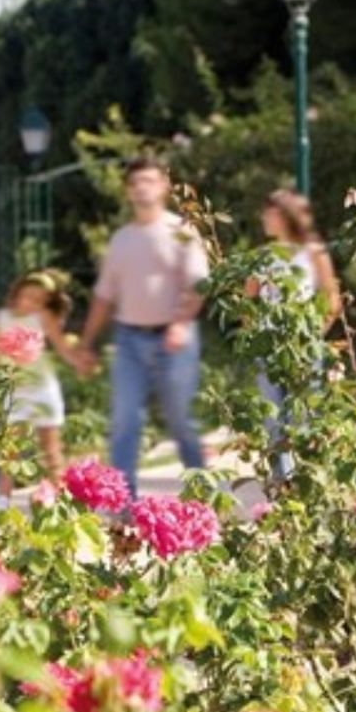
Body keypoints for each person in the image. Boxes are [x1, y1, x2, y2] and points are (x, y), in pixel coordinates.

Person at [77, 157, 209, 498]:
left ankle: (202, 497)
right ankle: (123, 503)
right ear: (127, 191)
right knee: (124, 421)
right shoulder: (122, 239)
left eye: (148, 181)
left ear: (163, 186)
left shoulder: (181, 231)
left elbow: (198, 285)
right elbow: (104, 296)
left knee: (181, 421)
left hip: (173, 340)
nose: (141, 188)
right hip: (129, 341)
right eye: (135, 183)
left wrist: (180, 324)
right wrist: (86, 344)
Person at [244, 189, 342, 480]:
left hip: (303, 345)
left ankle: (308, 481)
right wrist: (254, 333)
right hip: (267, 346)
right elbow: (247, 300)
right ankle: (283, 486)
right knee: (272, 419)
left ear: (286, 215)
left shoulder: (313, 252)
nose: (264, 218)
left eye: (270, 212)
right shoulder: (262, 255)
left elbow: (331, 300)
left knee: (303, 417)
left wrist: (312, 336)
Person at [0, 269, 85, 506]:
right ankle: (3, 497)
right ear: (17, 293)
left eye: (39, 300)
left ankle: (58, 499)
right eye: (28, 296)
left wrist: (79, 362)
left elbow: (62, 347)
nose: (31, 302)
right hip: (15, 390)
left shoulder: (43, 318)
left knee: (50, 448)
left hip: (43, 390)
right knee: (10, 448)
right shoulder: (2, 317)